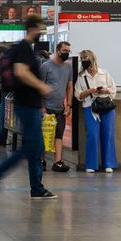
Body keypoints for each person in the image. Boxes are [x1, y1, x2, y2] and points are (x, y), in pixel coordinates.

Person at [0, 16, 56, 199]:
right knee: (33, 147)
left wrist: (39, 103)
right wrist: (42, 87)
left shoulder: (24, 48)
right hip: (26, 105)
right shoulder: (24, 48)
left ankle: (36, 188)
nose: (42, 32)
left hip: (30, 105)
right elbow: (21, 73)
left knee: (35, 148)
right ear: (32, 28)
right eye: (40, 28)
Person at [74, 49, 117, 173]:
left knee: (108, 134)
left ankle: (108, 163)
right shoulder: (81, 76)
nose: (83, 61)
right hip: (90, 107)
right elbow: (78, 95)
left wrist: (105, 90)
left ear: (92, 58)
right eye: (82, 59)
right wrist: (90, 91)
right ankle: (91, 164)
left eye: (85, 58)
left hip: (106, 106)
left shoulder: (104, 73)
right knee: (92, 134)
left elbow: (113, 88)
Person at [40, 39, 73, 172]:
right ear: (57, 50)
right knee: (44, 135)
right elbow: (40, 86)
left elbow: (69, 86)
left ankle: (58, 162)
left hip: (60, 107)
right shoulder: (45, 66)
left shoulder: (68, 67)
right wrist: (41, 106)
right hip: (46, 106)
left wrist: (69, 104)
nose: (66, 53)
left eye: (68, 51)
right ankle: (41, 160)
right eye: (64, 51)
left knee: (59, 134)